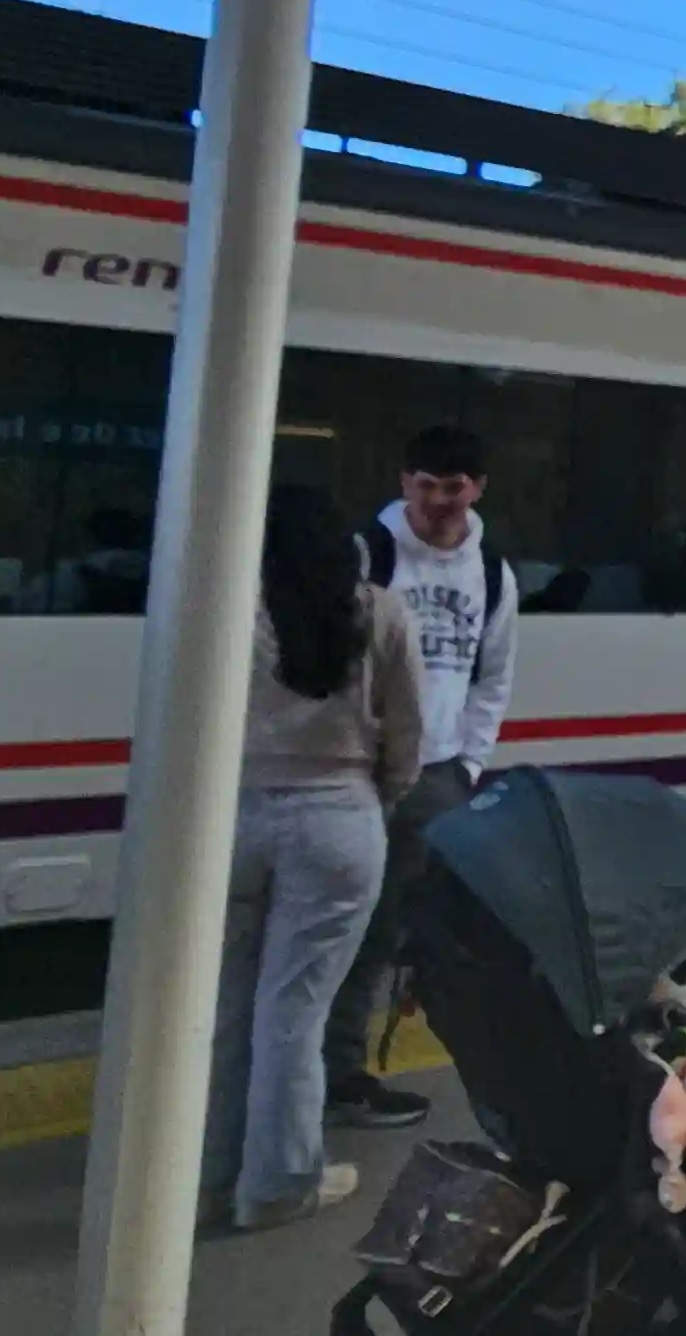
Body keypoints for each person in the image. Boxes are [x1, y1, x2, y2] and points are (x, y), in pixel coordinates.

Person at [206, 486, 427, 1229]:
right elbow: (409, 738)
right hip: (338, 816)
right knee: (295, 1009)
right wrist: (379, 799)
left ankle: (208, 1168)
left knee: (229, 1002)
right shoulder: (382, 612)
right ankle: (276, 1182)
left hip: (231, 817)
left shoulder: (233, 609)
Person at [323, 426, 524, 1129]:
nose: (441, 499)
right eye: (428, 484)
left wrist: (467, 764)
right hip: (360, 771)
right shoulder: (365, 555)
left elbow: (492, 677)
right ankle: (326, 1070)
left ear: (478, 489)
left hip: (436, 773)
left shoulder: (493, 574)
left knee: (391, 929)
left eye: (455, 485)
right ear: (405, 482)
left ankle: (339, 1070)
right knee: (341, 921)